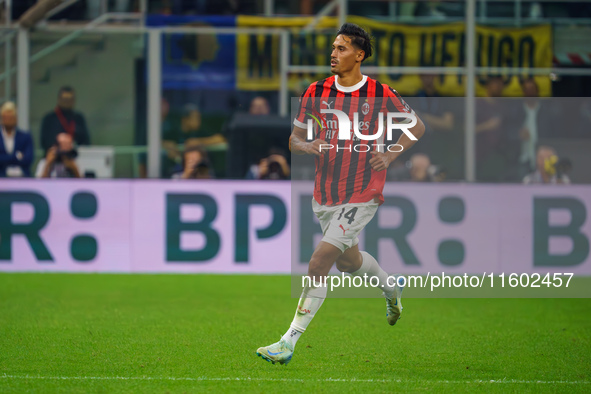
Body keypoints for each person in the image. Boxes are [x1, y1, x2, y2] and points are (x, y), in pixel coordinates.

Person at [256, 23, 425, 365]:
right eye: (333, 47)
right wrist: (308, 145)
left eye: (342, 48)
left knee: (319, 261)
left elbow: (417, 126)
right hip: (326, 193)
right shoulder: (315, 91)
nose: (333, 54)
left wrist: (391, 154)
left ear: (359, 55)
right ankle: (391, 288)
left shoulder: (379, 92)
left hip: (364, 190)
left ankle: (287, 343)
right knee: (349, 263)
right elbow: (293, 139)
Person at [40, 86, 90, 155]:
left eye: (70, 100)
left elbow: (86, 142)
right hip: (54, 159)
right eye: (65, 99)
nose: (67, 102)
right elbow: (45, 143)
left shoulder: (78, 118)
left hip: (75, 159)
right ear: (59, 99)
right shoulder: (49, 119)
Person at [0, 102, 33, 177]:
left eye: (11, 117)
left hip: (22, 177)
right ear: (2, 118)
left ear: (16, 118)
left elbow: (28, 159)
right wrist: (16, 156)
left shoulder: (25, 137)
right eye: (6, 117)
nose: (8, 120)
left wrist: (5, 158)